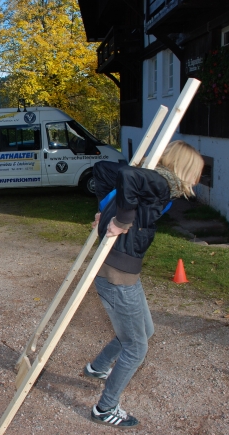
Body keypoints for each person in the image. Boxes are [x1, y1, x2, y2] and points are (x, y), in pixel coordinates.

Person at [84, 140, 204, 429]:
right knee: (136, 348)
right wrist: (120, 219)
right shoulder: (162, 183)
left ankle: (97, 367)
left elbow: (103, 171)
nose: (198, 179)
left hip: (121, 270)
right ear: (185, 168)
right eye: (198, 172)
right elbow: (127, 176)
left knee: (145, 331)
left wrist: (105, 209)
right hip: (117, 275)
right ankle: (105, 407)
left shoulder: (158, 181)